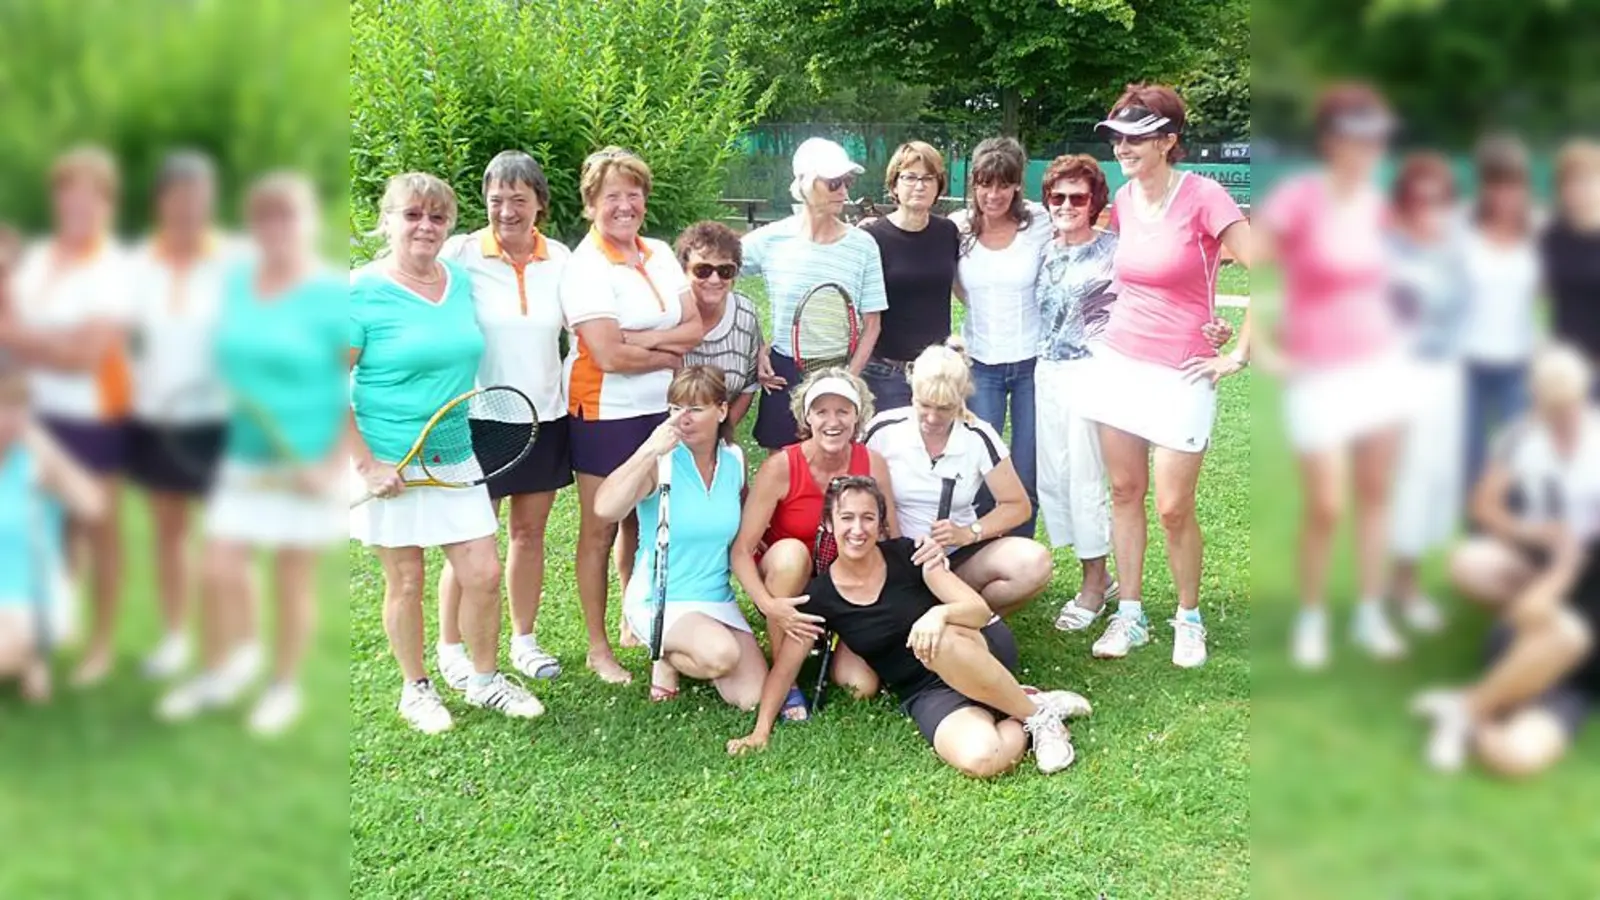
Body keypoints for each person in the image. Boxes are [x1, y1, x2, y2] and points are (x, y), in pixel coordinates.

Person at [727, 476, 1091, 777]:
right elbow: (785, 669)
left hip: (972, 648)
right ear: (828, 524)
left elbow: (977, 611)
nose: (857, 529)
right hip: (926, 690)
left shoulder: (910, 554)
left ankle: (1038, 719)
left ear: (881, 524)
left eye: (868, 518)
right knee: (982, 759)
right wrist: (760, 732)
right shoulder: (822, 597)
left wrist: (940, 614)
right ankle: (1026, 703)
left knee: (938, 641)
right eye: (847, 518)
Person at [350, 172, 543, 733]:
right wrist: (367, 464)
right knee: (405, 580)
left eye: (436, 217)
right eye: (412, 215)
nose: (425, 227)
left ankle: (484, 680)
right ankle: (416, 689)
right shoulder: (361, 290)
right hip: (390, 457)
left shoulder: (458, 282)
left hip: (455, 451)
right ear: (387, 220)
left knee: (481, 572)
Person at [156, 173, 348, 735]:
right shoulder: (236, 282)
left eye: (286, 216)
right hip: (242, 452)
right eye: (264, 217)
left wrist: (330, 464)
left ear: (307, 222)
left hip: (304, 460)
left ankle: (283, 684)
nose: (276, 228)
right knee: (217, 567)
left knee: (292, 576)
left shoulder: (331, 293)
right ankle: (226, 666)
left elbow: (349, 385)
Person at [1072, 83, 1252, 668]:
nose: (1123, 147)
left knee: (1174, 506)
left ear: (1168, 141)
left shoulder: (1204, 196)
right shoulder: (1122, 200)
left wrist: (1237, 352)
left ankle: (1188, 618)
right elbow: (1134, 279)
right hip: (1120, 365)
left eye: (1137, 137)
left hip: (1181, 372)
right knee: (1125, 493)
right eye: (1118, 137)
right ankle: (1130, 614)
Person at [1256, 84, 1420, 668]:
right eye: (1355, 137)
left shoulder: (1377, 205)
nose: (1366, 148)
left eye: (1374, 138)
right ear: (1331, 141)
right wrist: (1266, 347)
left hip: (1380, 369)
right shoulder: (1299, 199)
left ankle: (1371, 611)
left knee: (1376, 496)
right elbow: (1253, 262)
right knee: (1327, 504)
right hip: (1319, 375)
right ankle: (1313, 616)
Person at [1413, 344, 1599, 776]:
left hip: (1575, 668)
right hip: (1552, 630)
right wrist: (1548, 570)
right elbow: (1563, 557)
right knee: (1565, 635)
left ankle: (1467, 707)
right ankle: (1483, 704)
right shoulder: (1524, 439)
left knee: (1514, 759)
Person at [560, 146, 703, 684]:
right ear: (591, 203)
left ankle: (633, 615)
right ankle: (598, 648)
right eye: (612, 195)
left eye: (634, 193)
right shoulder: (585, 266)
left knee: (643, 523)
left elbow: (694, 328)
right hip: (603, 412)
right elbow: (607, 356)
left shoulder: (661, 252)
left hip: (659, 409)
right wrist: (666, 354)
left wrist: (646, 341)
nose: (625, 205)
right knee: (600, 527)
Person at [434, 151, 573, 687]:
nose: (507, 211)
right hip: (479, 419)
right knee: (471, 535)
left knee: (529, 534)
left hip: (546, 417)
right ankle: (451, 648)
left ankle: (524, 641)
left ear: (540, 202)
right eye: (496, 200)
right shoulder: (460, 253)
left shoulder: (559, 257)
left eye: (519, 199)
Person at [3, 146, 135, 687]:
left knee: (99, 526)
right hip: (33, 414)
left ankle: (100, 643)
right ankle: (47, 631)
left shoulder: (115, 269)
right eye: (67, 192)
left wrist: (25, 339)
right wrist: (50, 341)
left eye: (90, 194)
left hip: (95, 413)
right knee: (47, 530)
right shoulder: (35, 259)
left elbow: (89, 356)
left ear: (106, 202)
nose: (77, 204)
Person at [123, 151, 236, 681]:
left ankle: (230, 650)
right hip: (154, 419)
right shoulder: (138, 264)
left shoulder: (233, 262)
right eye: (179, 196)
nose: (189, 207)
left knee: (223, 540)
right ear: (162, 201)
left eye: (199, 197)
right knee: (167, 533)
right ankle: (175, 639)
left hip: (216, 421)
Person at [594, 366, 767, 707]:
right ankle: (666, 656)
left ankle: (679, 651)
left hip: (716, 595)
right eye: (675, 408)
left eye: (695, 409)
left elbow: (738, 516)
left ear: (721, 410)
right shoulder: (662, 463)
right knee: (722, 654)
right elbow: (605, 509)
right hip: (661, 598)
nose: (682, 419)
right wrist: (647, 451)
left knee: (752, 698)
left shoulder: (734, 458)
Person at [730, 368, 896, 719]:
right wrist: (767, 604)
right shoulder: (781, 466)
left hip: (848, 585)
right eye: (821, 411)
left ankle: (833, 642)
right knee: (792, 554)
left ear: (858, 416)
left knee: (859, 687)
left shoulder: (872, 464)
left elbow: (889, 539)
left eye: (843, 411)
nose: (832, 421)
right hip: (790, 582)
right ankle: (785, 678)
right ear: (806, 416)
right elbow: (742, 550)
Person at [864, 342, 1052, 616]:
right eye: (924, 404)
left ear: (962, 399)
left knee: (1034, 563)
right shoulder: (883, 428)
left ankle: (969, 618)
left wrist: (967, 533)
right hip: (891, 553)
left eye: (944, 408)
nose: (931, 417)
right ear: (912, 392)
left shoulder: (978, 435)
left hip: (955, 557)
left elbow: (1017, 505)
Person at [741, 137, 888, 450]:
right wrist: (757, 345)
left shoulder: (863, 245)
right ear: (803, 183)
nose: (844, 192)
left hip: (841, 369)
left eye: (846, 182)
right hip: (783, 371)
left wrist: (849, 378)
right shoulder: (770, 239)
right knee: (781, 469)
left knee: (838, 477)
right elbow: (714, 276)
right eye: (833, 183)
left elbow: (872, 323)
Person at [948, 137, 1052, 539]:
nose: (993, 195)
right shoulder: (958, 228)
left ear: (1016, 185)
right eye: (984, 184)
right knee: (984, 465)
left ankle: (1019, 553)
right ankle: (984, 550)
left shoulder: (1040, 221)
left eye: (1003, 185)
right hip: (982, 364)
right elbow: (953, 279)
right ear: (973, 184)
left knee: (1026, 467)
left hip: (1032, 362)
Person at [1387, 152, 1471, 640]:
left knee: (1438, 480)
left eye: (1440, 198)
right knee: (1410, 482)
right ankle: (1403, 586)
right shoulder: (1389, 250)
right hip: (1399, 378)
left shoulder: (1454, 249)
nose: (1430, 207)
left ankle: (1413, 577)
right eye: (1421, 198)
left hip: (1447, 376)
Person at [0, 366, 106, 703]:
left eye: (17, 407)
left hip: (32, 597)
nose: (9, 418)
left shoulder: (36, 461)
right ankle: (26, 660)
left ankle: (30, 654)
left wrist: (51, 455)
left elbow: (94, 506)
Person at [1460, 134, 1542, 493]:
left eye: (1514, 184)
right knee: (1470, 460)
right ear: (1482, 185)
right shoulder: (1460, 224)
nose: (1506, 195)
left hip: (1518, 364)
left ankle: (1513, 542)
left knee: (1518, 460)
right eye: (1496, 184)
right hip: (1466, 362)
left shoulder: (1539, 228)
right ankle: (1477, 540)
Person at [858, 142, 960, 412]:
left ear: (939, 186)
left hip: (938, 371)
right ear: (894, 185)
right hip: (886, 372)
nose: (920, 185)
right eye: (910, 177)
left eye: (928, 178)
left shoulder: (948, 232)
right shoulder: (872, 237)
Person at [676, 221, 764, 438]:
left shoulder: (746, 314)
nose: (714, 279)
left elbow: (748, 386)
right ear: (684, 271)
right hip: (665, 434)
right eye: (703, 270)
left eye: (725, 270)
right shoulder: (669, 315)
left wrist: (719, 435)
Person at [1541, 139, 1600, 377]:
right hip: (1565, 366)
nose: (1578, 189)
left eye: (1586, 180)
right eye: (1570, 181)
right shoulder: (1551, 237)